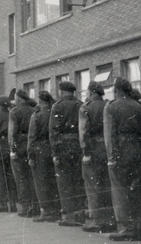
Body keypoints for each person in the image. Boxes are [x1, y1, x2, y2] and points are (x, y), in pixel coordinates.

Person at [104, 77, 141, 241]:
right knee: (137, 190)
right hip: (138, 150)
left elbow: (110, 134)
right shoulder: (140, 106)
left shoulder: (112, 107)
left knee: (121, 190)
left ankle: (127, 227)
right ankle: (140, 228)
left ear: (117, 90)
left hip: (121, 151)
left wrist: (111, 157)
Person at [79, 81, 116, 232]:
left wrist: (86, 152)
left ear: (91, 92)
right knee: (107, 184)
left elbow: (84, 132)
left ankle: (97, 220)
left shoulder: (86, 107)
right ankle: (110, 219)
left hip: (93, 150)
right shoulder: (109, 104)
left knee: (93, 185)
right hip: (107, 149)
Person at [49, 81, 85, 227]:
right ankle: (80, 213)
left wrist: (55, 152)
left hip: (63, 147)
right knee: (78, 180)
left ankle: (69, 215)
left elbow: (54, 131)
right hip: (78, 146)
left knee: (64, 182)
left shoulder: (57, 106)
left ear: (62, 91)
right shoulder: (80, 104)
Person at [28, 91, 60, 222]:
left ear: (40, 102)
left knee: (41, 182)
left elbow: (32, 138)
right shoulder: (55, 113)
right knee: (53, 180)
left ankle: (46, 211)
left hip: (40, 151)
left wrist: (30, 156)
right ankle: (56, 209)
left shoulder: (37, 116)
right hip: (54, 149)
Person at [9, 89, 39, 217]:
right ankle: (36, 207)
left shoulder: (14, 112)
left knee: (21, 179)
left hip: (20, 148)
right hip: (32, 147)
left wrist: (13, 150)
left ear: (19, 99)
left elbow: (12, 133)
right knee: (33, 178)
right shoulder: (34, 111)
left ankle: (25, 208)